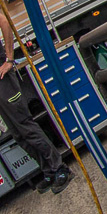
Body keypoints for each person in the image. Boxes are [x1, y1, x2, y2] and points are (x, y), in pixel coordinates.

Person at [0, 15, 73, 194]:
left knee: (26, 127)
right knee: (18, 134)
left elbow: (4, 22)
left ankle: (60, 168)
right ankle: (48, 171)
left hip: (3, 76)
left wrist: (9, 59)